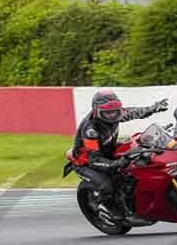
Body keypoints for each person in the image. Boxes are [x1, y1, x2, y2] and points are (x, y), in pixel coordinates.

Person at [71, 90, 169, 222]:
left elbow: (133, 112)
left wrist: (152, 108)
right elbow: (95, 160)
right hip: (87, 162)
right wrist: (118, 163)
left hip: (107, 148)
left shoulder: (115, 113)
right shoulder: (91, 131)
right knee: (106, 185)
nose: (112, 116)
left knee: (137, 148)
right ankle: (113, 211)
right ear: (96, 111)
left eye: (115, 111)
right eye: (107, 112)